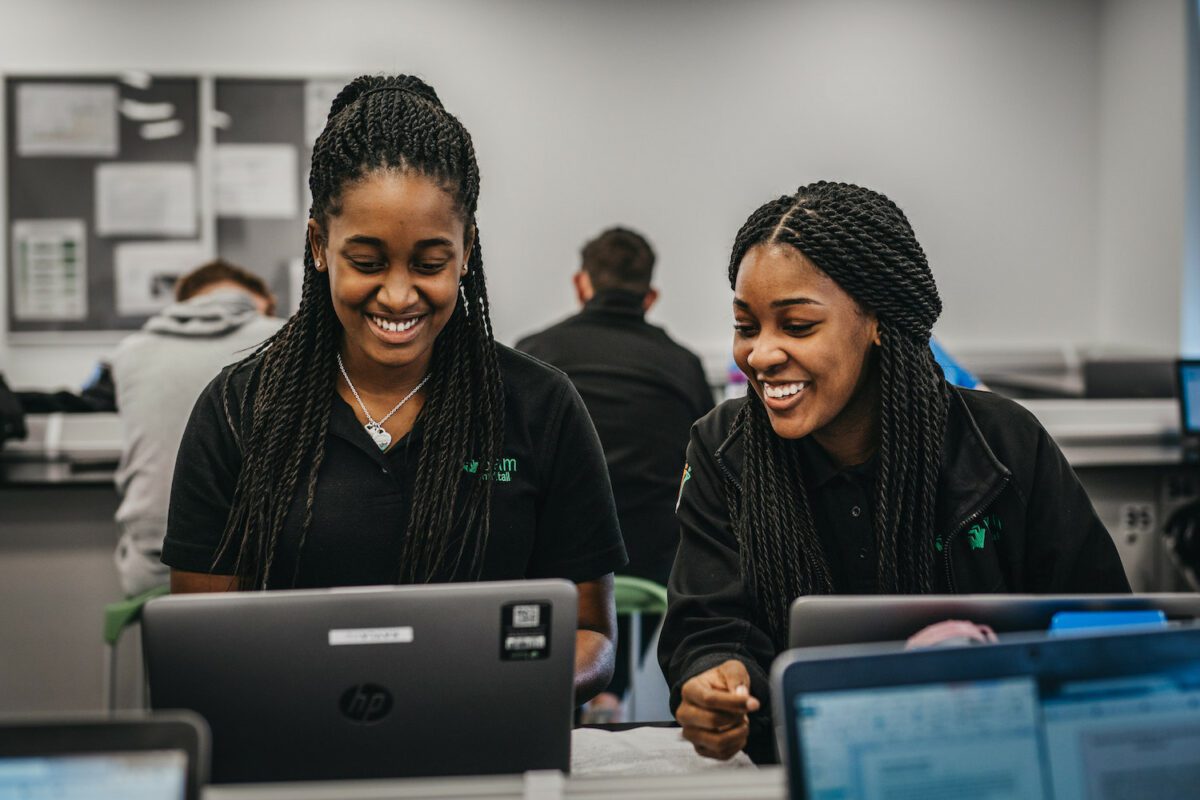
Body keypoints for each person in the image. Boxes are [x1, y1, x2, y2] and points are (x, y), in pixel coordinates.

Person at [162, 75, 627, 704]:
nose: (400, 294)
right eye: (369, 261)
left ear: (466, 253)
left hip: (487, 754)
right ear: (319, 246)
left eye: (431, 263)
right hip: (300, 758)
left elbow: (591, 632)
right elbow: (200, 647)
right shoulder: (239, 412)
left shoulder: (539, 407)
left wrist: (512, 684)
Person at [659, 181, 1131, 762]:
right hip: (795, 765)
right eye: (747, 326)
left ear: (876, 320)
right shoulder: (722, 449)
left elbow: (1101, 625)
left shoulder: (1004, 445)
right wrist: (715, 676)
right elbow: (708, 623)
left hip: (993, 760)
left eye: (798, 325)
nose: (760, 354)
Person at [517, 226, 714, 718]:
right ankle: (610, 694)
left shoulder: (531, 356)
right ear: (650, 296)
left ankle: (568, 693)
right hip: (653, 565)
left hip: (559, 571)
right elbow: (704, 471)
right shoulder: (685, 366)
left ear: (582, 285)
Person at [111, 260, 282, 597]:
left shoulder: (130, 352)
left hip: (147, 571)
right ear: (257, 303)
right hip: (252, 577)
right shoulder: (281, 337)